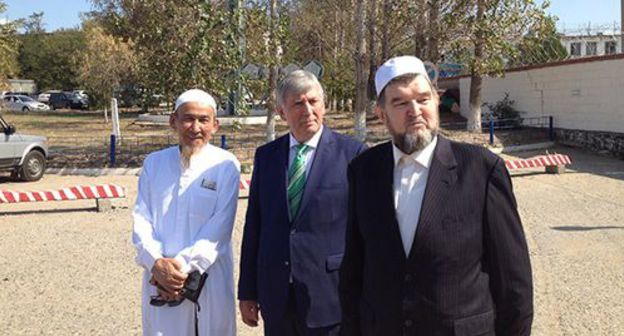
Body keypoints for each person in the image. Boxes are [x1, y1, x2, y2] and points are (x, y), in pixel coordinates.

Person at [339, 56, 533, 336]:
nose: (415, 111)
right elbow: (353, 270)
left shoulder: (481, 170)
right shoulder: (363, 171)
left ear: (436, 101)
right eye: (401, 103)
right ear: (381, 114)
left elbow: (514, 282)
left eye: (423, 99)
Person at [238, 70, 367, 335]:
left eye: (313, 101)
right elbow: (255, 226)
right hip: (277, 297)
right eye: (298, 103)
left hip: (331, 295)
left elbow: (365, 232)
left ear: (324, 105)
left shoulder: (353, 154)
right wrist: (248, 291)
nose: (308, 110)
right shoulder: (266, 157)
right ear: (282, 111)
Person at [132, 89, 240, 335]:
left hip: (208, 279)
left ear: (215, 125)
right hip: (159, 279)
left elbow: (219, 228)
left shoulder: (225, 165)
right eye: (188, 118)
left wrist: (179, 267)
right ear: (174, 121)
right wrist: (156, 263)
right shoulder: (154, 163)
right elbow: (141, 219)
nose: (195, 127)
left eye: (203, 120)